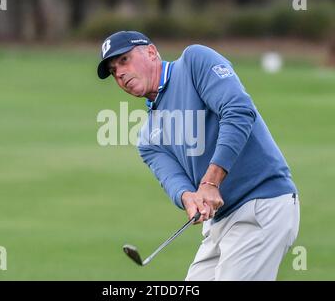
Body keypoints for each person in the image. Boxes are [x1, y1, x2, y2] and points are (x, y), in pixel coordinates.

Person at [97, 30, 300, 281]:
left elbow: (238, 111)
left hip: (261, 204)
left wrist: (210, 182)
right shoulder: (148, 138)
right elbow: (174, 181)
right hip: (219, 224)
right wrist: (189, 199)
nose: (120, 73)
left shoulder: (194, 62)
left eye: (124, 60)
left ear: (151, 52)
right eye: (114, 70)